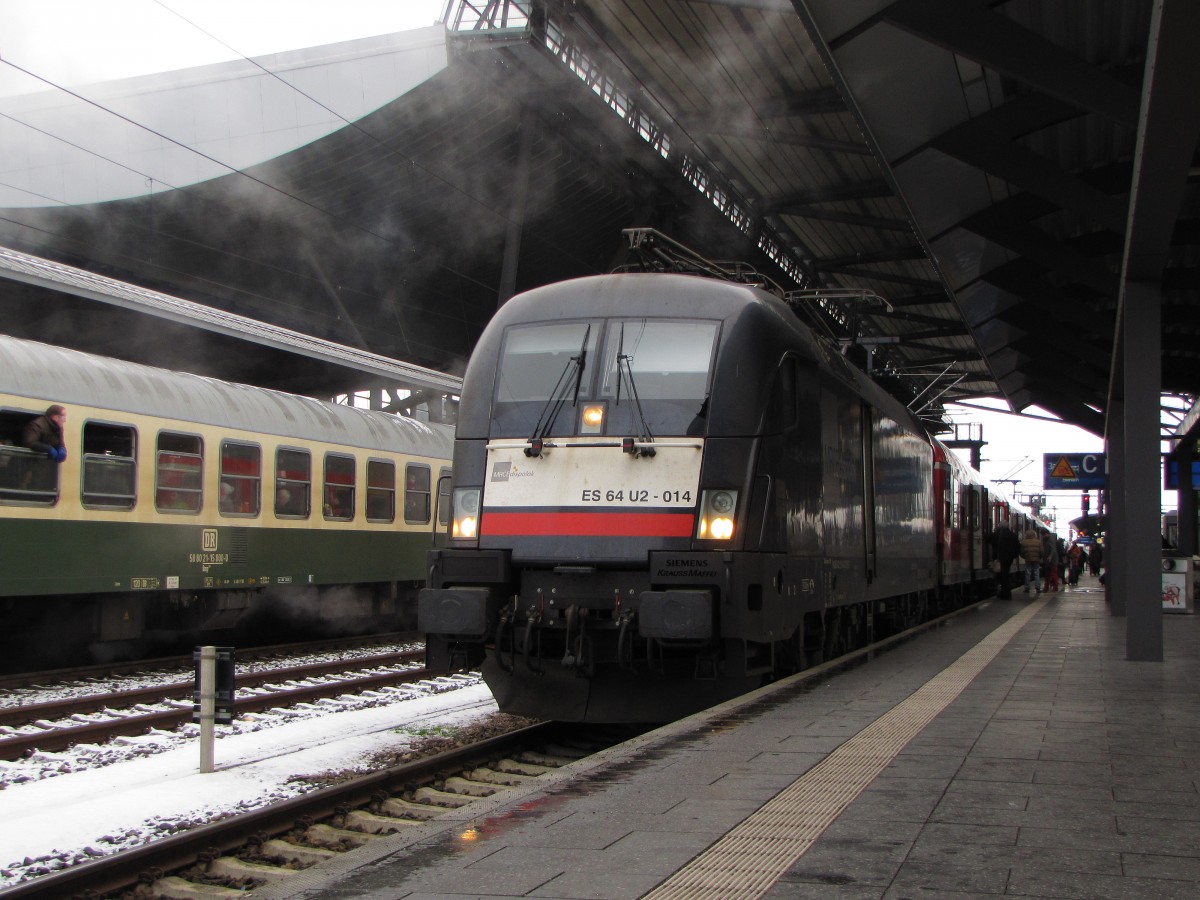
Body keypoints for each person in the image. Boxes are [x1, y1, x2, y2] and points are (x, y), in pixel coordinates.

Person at [993, 522, 1020, 599]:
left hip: (1001, 559)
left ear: (1001, 527)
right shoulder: (1013, 535)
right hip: (1009, 559)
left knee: (1003, 576)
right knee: (1006, 576)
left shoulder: (999, 535)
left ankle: (1004, 594)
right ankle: (1007, 594)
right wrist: (1014, 555)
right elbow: (1018, 547)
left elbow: (993, 542)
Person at [1019, 528, 1043, 595]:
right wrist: (1039, 557)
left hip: (1028, 559)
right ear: (1034, 535)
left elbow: (1021, 552)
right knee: (1036, 573)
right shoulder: (1038, 542)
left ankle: (1027, 588)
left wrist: (1025, 557)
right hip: (1036, 560)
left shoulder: (1024, 542)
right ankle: (1038, 588)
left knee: (1027, 573)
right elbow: (1042, 552)